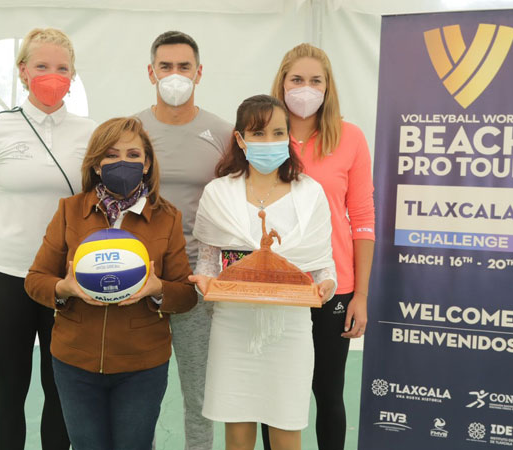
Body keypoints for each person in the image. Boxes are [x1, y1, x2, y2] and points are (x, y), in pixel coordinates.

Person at [24, 117, 198, 450]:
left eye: (133, 155)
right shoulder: (69, 211)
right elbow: (35, 280)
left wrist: (157, 289)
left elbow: (186, 295)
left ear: (147, 164)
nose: (123, 162)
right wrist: (64, 289)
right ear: (96, 164)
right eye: (111, 155)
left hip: (142, 366)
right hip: (75, 362)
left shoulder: (167, 217)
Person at [0, 27, 96, 450]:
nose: (52, 76)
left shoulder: (91, 133)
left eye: (62, 68)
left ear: (73, 76)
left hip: (66, 283)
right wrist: (0, 261)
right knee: (8, 392)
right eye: (42, 66)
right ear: (22, 71)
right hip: (6, 283)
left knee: (61, 393)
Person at [189, 94, 337, 450]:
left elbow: (322, 265)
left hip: (290, 328)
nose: (269, 141)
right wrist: (203, 283)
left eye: (277, 133)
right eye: (258, 133)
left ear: (289, 137)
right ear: (240, 139)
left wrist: (327, 286)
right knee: (238, 430)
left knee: (287, 427)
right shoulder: (218, 193)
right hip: (233, 325)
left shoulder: (310, 194)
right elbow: (207, 263)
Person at [265, 43, 376, 450]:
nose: (305, 88)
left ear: (328, 87)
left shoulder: (350, 138)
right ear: (282, 82)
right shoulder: (263, 136)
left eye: (316, 81)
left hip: (333, 286)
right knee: (276, 395)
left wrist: (360, 295)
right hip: (274, 283)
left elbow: (362, 218)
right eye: (297, 79)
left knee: (328, 391)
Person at [136, 30, 233, 450]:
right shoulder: (131, 131)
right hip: (137, 281)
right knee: (139, 397)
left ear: (199, 72)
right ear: (151, 72)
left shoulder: (223, 133)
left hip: (197, 282)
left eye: (184, 67)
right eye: (166, 66)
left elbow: (236, 206)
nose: (174, 75)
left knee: (199, 396)